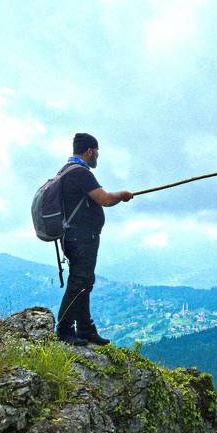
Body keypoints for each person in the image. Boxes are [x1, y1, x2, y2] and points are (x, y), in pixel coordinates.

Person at [56, 132, 132, 346]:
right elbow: (104, 199)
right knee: (79, 282)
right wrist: (122, 195)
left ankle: (85, 328)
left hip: (73, 236)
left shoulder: (66, 170)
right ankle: (64, 330)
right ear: (90, 151)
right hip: (81, 238)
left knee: (84, 282)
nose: (98, 156)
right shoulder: (80, 173)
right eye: (97, 152)